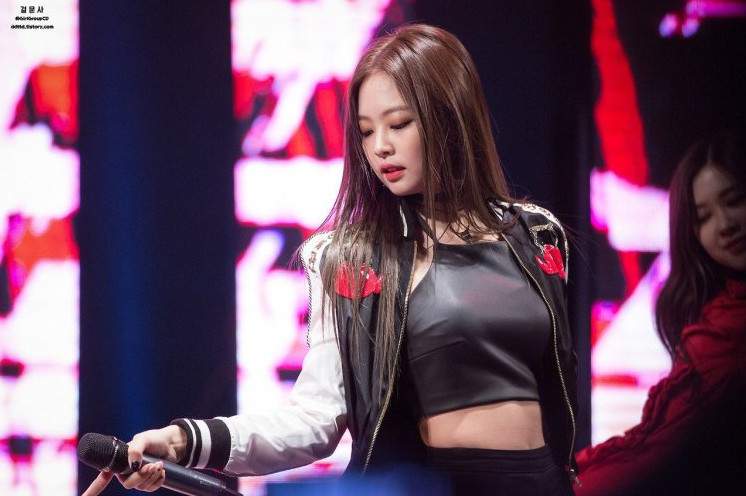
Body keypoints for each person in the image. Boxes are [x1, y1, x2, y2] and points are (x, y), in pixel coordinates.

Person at [83, 24, 578, 496]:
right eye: (365, 131)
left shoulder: (537, 235)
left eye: (399, 124)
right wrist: (182, 441)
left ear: (450, 118)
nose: (380, 147)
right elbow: (315, 418)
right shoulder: (351, 259)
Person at [575, 130, 746, 495]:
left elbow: (662, 451)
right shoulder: (715, 312)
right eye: (703, 217)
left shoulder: (729, 328)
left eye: (734, 201)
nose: (725, 225)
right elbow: (653, 441)